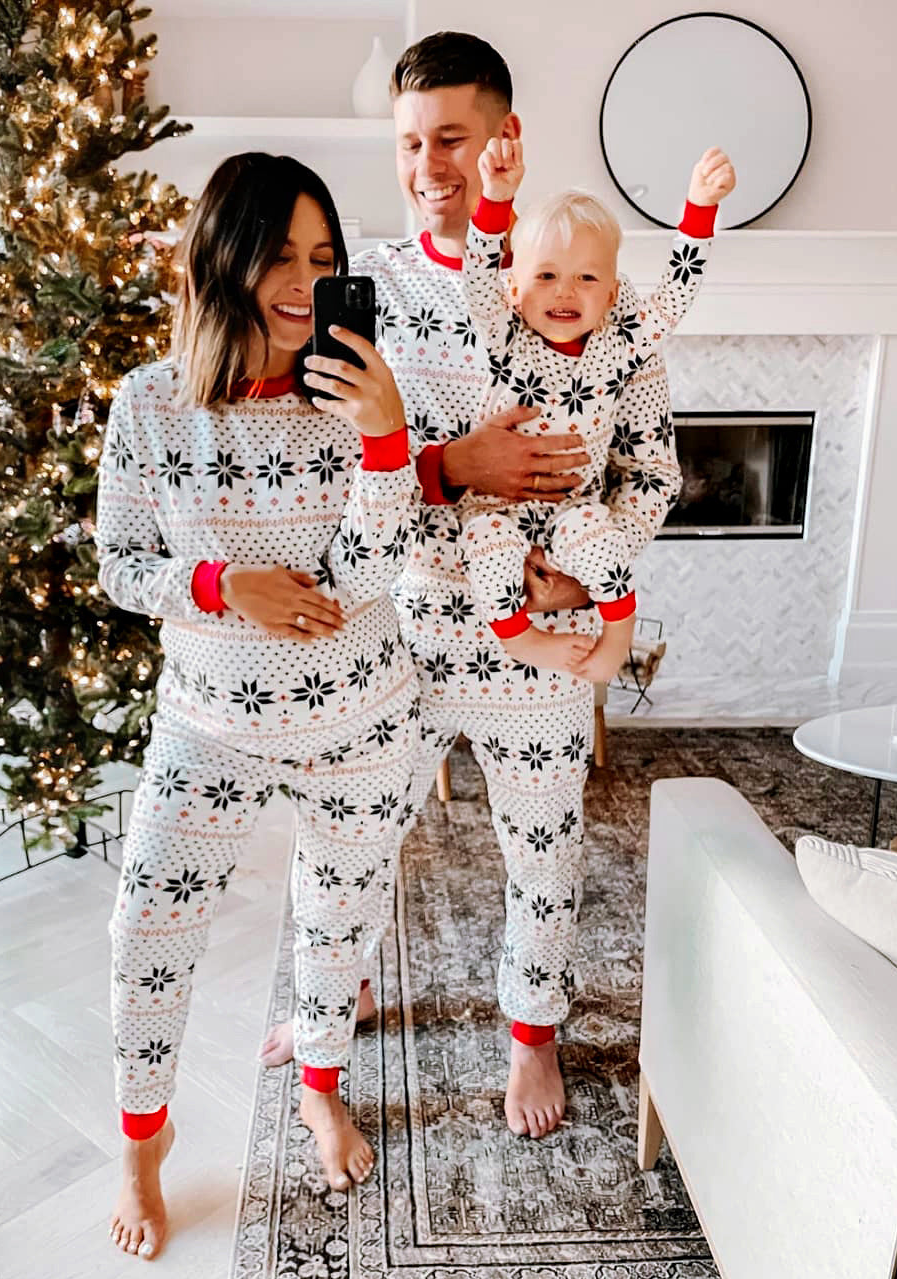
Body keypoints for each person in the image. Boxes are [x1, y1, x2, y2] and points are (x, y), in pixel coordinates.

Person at [309, 31, 686, 1142]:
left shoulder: (592, 290)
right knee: (351, 832)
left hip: (551, 641)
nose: (429, 165)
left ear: (505, 141)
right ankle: (344, 993)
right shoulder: (361, 294)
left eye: (454, 139)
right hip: (404, 635)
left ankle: (533, 1036)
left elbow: (653, 469)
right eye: (411, 143)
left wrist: (585, 560)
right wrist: (450, 468)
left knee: (546, 845)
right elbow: (334, 484)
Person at [95, 151, 420, 1260]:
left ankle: (318, 1084)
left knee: (339, 919)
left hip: (359, 718)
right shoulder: (148, 403)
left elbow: (378, 569)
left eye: (324, 259)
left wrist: (385, 433)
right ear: (223, 255)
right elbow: (119, 562)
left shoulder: (358, 397)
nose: (302, 280)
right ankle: (142, 1142)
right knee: (148, 927)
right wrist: (219, 584)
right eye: (280, 253)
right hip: (209, 719)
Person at [458, 136, 734, 676]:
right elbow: (476, 278)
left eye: (586, 278)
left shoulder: (621, 345)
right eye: (546, 276)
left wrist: (700, 209)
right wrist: (495, 198)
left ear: (611, 294)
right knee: (487, 553)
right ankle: (520, 639)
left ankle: (618, 638)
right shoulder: (505, 336)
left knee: (604, 545)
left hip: (572, 508)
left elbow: (675, 294)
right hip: (496, 506)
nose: (565, 292)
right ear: (513, 289)